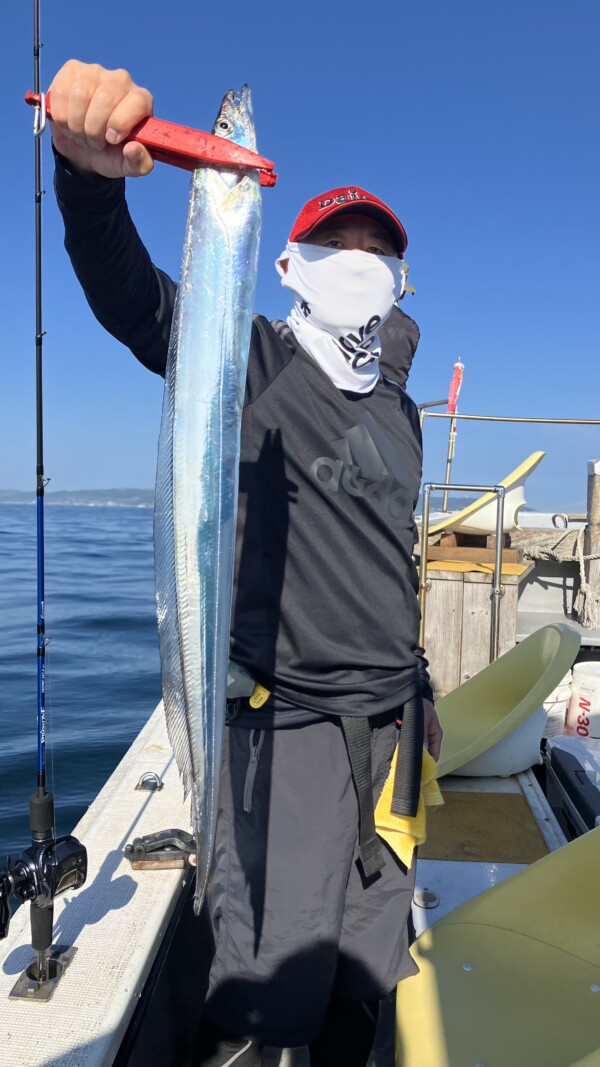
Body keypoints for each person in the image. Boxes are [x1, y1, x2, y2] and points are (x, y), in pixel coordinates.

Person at [48, 60, 443, 1067]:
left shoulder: (400, 405)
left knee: (370, 955)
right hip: (289, 730)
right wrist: (89, 181)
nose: (358, 263)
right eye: (336, 245)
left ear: (400, 277)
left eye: (378, 252)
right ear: (288, 260)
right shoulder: (248, 358)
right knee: (272, 980)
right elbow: (133, 298)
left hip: (397, 729)